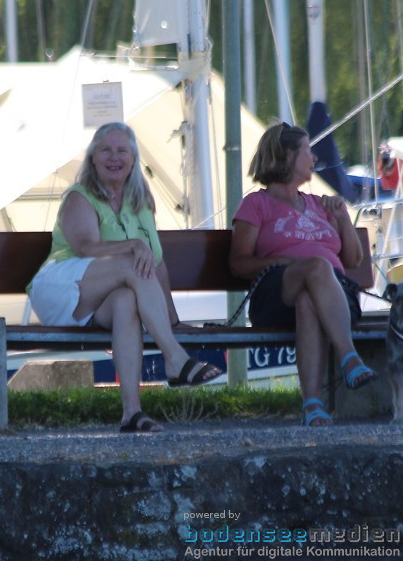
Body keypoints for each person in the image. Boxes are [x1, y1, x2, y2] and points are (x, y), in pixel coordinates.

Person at [28, 122, 221, 433]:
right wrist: (132, 244)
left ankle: (132, 413)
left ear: (133, 158)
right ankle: (175, 359)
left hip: (99, 299)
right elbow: (86, 247)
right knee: (132, 262)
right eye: (105, 150)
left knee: (126, 302)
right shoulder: (80, 196)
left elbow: (155, 264)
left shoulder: (141, 203)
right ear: (92, 158)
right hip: (61, 285)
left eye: (122, 150)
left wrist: (171, 320)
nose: (113, 157)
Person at [229, 122, 378, 427]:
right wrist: (287, 261)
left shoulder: (319, 203)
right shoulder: (256, 204)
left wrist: (342, 219)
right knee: (317, 267)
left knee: (309, 301)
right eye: (308, 151)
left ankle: (312, 405)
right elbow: (238, 263)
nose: (314, 159)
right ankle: (348, 356)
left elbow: (353, 259)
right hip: (275, 293)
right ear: (286, 155)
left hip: (334, 294)